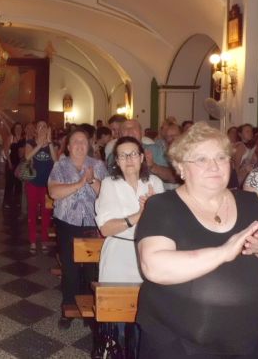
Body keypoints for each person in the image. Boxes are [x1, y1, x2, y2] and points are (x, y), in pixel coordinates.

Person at [135, 122, 258, 358]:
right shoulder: (162, 206)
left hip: (248, 344)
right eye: (201, 159)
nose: (214, 166)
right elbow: (154, 267)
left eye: (221, 157)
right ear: (180, 167)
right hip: (176, 346)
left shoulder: (251, 204)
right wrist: (223, 252)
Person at [48, 129, 107, 329]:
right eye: (75, 142)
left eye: (83, 141)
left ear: (88, 145)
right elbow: (54, 192)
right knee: (71, 269)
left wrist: (91, 180)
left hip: (92, 224)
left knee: (91, 270)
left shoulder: (98, 165)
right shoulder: (60, 166)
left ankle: (90, 311)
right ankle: (68, 308)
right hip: (67, 224)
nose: (80, 145)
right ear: (68, 146)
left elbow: (105, 195)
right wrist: (80, 183)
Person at [95, 136, 164, 282]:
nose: (129, 159)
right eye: (122, 156)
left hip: (150, 253)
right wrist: (141, 214)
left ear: (141, 157)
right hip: (118, 256)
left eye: (133, 154)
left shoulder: (155, 182)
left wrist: (156, 211)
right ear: (117, 162)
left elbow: (164, 226)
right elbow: (106, 229)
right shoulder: (109, 184)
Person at [25, 120, 57, 253]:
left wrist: (48, 143)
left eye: (45, 126)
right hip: (32, 183)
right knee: (32, 212)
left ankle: (44, 239)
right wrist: (39, 145)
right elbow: (27, 157)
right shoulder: (30, 143)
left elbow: (56, 161)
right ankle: (32, 240)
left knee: (46, 213)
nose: (42, 128)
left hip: (47, 185)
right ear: (36, 130)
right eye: (40, 126)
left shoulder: (51, 145)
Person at [3, 122, 24, 208]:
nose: (18, 129)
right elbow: (6, 151)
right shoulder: (10, 138)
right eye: (17, 128)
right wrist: (9, 162)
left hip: (20, 164)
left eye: (20, 128)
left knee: (19, 184)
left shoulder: (23, 138)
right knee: (9, 183)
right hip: (11, 163)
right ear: (14, 129)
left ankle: (17, 202)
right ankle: (7, 202)